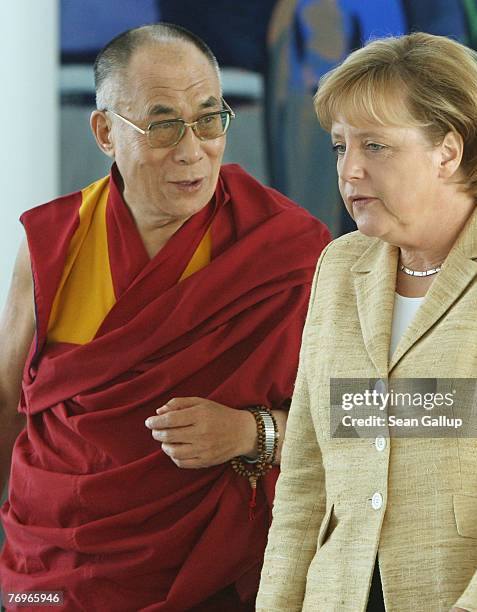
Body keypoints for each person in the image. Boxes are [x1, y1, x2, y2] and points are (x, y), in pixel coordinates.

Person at [0, 23, 330, 612]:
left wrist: (252, 433)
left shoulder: (285, 250)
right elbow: (7, 401)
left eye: (209, 119)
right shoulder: (53, 244)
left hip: (211, 570)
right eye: (162, 125)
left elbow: (362, 416)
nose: (191, 149)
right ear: (105, 132)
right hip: (52, 567)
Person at [256, 33, 477, 611]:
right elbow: (306, 473)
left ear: (448, 151)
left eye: (375, 146)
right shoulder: (339, 265)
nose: (350, 169)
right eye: (339, 147)